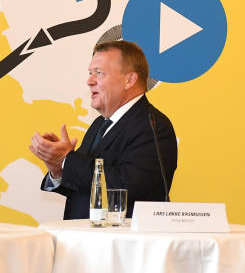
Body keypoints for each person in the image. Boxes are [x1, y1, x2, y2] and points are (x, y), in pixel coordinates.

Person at [30, 40, 177, 219]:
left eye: (99, 73)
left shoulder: (153, 126)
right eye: (90, 73)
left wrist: (67, 160)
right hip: (83, 240)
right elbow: (84, 187)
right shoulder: (99, 124)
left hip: (120, 243)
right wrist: (59, 169)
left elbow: (125, 186)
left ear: (129, 80)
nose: (89, 81)